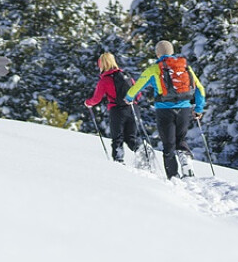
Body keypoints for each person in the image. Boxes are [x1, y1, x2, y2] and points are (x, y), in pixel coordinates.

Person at [125, 40, 206, 178]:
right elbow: (200, 89)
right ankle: (186, 159)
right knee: (180, 139)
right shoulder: (185, 67)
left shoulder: (154, 69)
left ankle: (173, 177)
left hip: (164, 110)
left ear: (157, 54)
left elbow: (137, 86)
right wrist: (198, 108)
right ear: (172, 52)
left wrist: (129, 98)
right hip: (185, 109)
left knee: (168, 145)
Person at [83, 52, 141, 163]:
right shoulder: (127, 76)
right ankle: (143, 153)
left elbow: (96, 99)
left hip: (117, 110)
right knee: (131, 138)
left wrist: (88, 103)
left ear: (101, 65)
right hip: (133, 109)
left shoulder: (105, 80)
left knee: (117, 139)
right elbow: (138, 94)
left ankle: (118, 162)